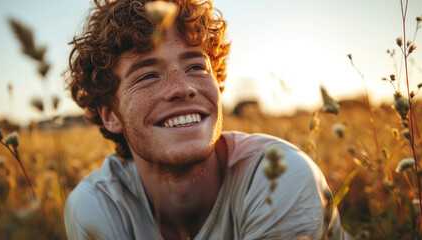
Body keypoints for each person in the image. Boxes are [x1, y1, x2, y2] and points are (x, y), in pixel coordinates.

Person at [64, 0, 352, 239]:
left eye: (196, 66)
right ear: (111, 115)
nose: (182, 87)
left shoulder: (279, 178)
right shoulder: (97, 205)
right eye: (148, 75)